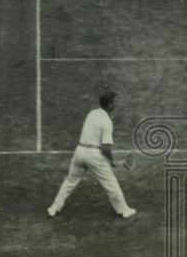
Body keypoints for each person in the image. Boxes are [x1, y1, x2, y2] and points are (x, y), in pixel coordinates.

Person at [46, 91, 137, 220]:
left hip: (79, 152)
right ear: (109, 105)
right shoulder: (107, 122)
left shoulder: (92, 113)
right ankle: (124, 210)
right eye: (113, 102)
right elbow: (105, 147)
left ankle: (54, 208)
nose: (115, 104)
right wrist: (111, 162)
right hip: (94, 156)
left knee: (70, 181)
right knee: (110, 183)